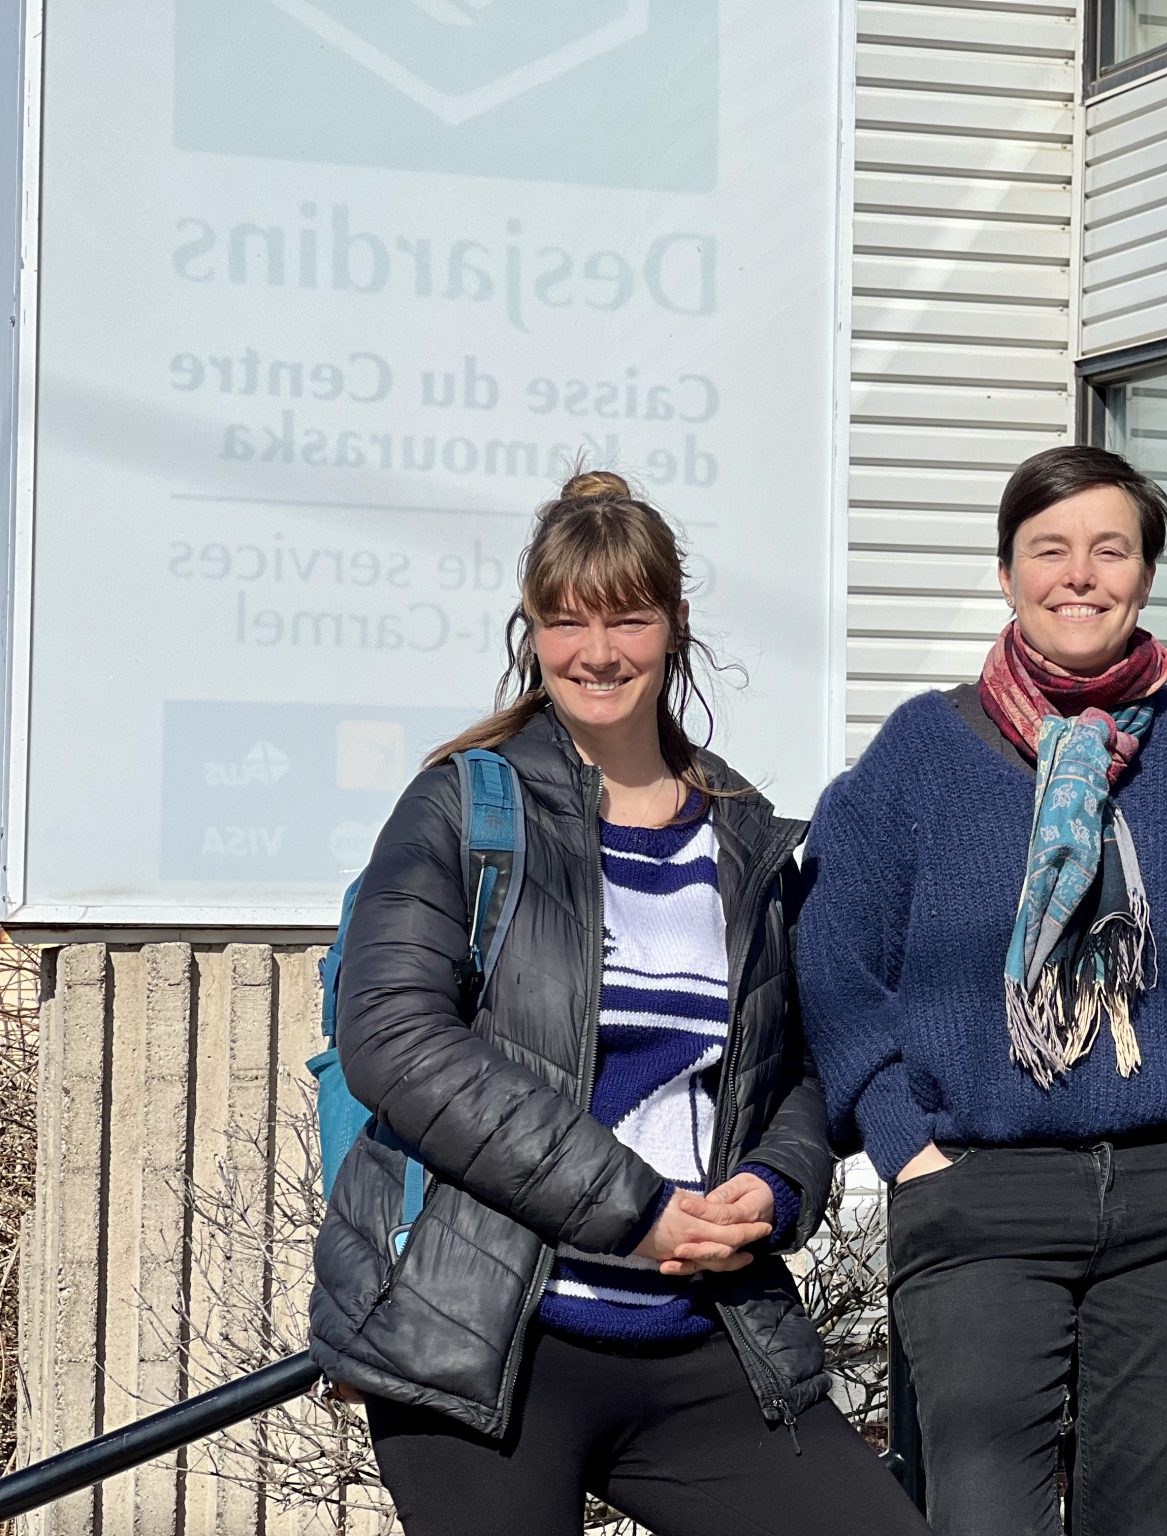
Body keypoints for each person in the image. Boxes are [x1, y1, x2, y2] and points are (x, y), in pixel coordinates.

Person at [307, 471, 929, 1536]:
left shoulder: (741, 835)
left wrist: (776, 1186)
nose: (597, 652)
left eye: (627, 618)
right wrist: (633, 1211)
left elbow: (793, 1066)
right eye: (566, 621)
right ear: (532, 630)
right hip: (488, 1341)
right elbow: (394, 1039)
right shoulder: (464, 807)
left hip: (702, 1335)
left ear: (675, 624)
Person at [797, 445, 1167, 1536]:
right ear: (1006, 574)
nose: (1080, 575)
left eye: (1109, 551)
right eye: (1049, 550)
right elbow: (834, 959)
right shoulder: (922, 753)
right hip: (977, 1199)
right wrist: (905, 1147)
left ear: (1145, 575)